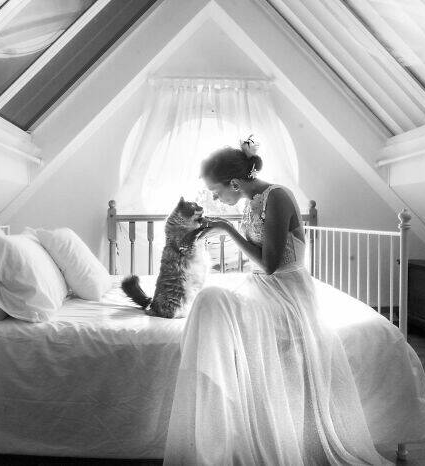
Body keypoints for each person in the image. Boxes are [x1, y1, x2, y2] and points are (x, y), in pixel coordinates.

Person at [163, 138, 389, 465]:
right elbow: (261, 261)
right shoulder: (251, 201)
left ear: (234, 183)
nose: (215, 198)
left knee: (212, 301)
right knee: (210, 303)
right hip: (266, 286)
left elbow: (270, 264)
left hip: (287, 291)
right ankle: (219, 418)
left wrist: (226, 228)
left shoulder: (278, 197)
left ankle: (221, 415)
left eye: (216, 191)